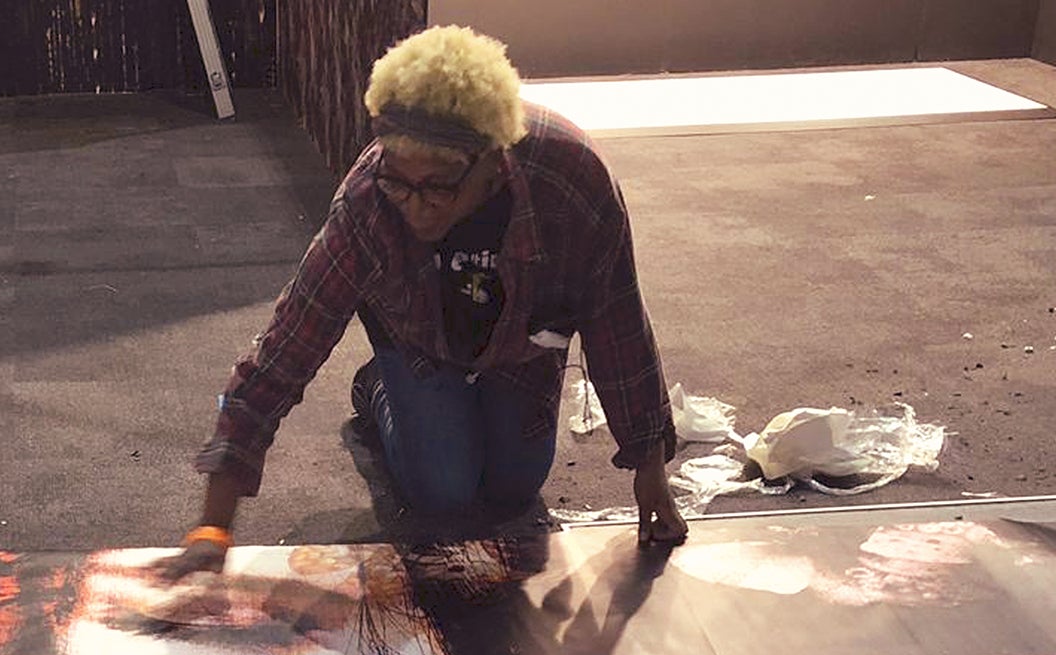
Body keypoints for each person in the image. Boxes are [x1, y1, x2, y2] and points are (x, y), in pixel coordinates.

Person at [168, 24, 687, 579]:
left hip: (522, 341)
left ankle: (456, 402)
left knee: (515, 484)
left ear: (493, 161)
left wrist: (650, 471)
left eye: (439, 186)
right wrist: (213, 527)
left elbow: (618, 323)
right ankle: (379, 386)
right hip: (418, 334)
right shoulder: (369, 200)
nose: (415, 207)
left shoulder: (572, 182)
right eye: (399, 181)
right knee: (442, 490)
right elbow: (284, 349)